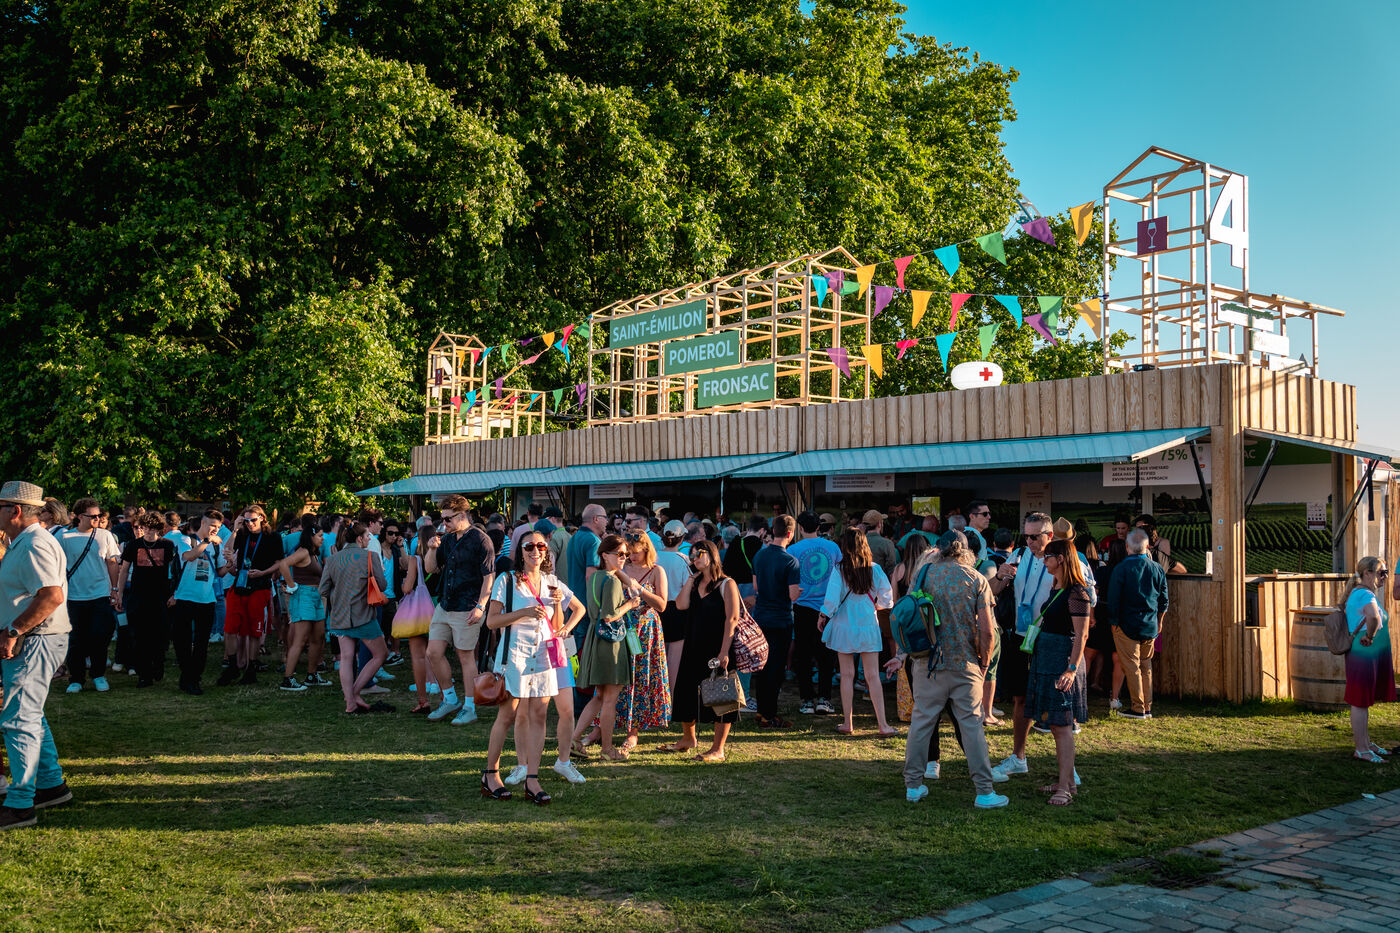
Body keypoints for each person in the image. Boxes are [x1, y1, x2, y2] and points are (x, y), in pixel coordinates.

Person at [891, 531, 1007, 808]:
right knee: (972, 726)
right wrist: (984, 663)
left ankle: (913, 786)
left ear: (939, 549)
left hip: (927, 662)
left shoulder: (923, 575)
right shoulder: (976, 579)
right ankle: (984, 791)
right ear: (966, 552)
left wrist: (902, 654)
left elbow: (909, 613)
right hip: (965, 663)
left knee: (921, 724)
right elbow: (987, 631)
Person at [481, 529, 588, 801]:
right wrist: (523, 613)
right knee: (508, 715)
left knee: (539, 716)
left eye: (541, 546)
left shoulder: (552, 582)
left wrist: (559, 610)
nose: (536, 551)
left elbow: (562, 622)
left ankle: (532, 779)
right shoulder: (507, 580)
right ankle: (490, 774)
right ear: (520, 551)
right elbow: (492, 621)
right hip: (515, 655)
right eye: (529, 546)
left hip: (543, 657)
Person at [0, 481, 74, 830]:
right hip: (36, 639)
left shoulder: (34, 542)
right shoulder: (25, 541)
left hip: (35, 640)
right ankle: (50, 785)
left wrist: (14, 631)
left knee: (19, 720)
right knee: (30, 715)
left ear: (15, 510)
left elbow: (51, 596)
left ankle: (20, 804)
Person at [1025, 538, 1091, 805]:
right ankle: (1067, 782)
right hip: (1048, 659)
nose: (1044, 561)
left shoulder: (1077, 592)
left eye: (1048, 556)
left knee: (1062, 725)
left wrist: (1071, 669)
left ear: (1061, 559)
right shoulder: (1058, 588)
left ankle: (1065, 787)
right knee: (1055, 723)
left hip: (1063, 662)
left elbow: (1082, 634)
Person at [990, 512, 1056, 781]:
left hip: (1049, 637)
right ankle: (1019, 757)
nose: (1029, 541)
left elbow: (1087, 597)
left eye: (1034, 536)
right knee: (1020, 697)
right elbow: (993, 592)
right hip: (1020, 636)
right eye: (1025, 536)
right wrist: (1001, 576)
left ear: (1049, 536)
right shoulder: (1018, 555)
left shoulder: (1061, 558)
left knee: (1053, 701)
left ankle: (1068, 766)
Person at [424, 494, 495, 725]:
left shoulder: (481, 540)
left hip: (468, 606)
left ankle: (470, 707)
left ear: (463, 515)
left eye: (448, 519)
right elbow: (431, 569)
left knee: (465, 656)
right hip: (445, 604)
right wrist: (431, 549)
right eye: (442, 519)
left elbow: (489, 577)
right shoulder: (447, 539)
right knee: (433, 653)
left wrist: (480, 606)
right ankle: (450, 699)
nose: (443, 523)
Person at [819, 528, 896, 736]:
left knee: (846, 675)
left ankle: (848, 723)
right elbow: (887, 599)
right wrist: (877, 606)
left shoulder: (839, 569)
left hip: (843, 626)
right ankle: (883, 724)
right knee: (873, 676)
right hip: (868, 625)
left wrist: (823, 615)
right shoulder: (875, 569)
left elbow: (831, 600)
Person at [670, 540, 740, 761]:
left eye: (698, 553)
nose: (694, 558)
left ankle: (718, 749)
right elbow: (680, 605)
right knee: (685, 691)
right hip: (693, 646)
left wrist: (724, 651)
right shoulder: (695, 583)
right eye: (692, 555)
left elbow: (732, 618)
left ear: (711, 554)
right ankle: (688, 739)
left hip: (717, 648)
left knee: (722, 696)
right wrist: (691, 579)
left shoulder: (727, 583)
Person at [573, 535, 640, 760]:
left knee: (600, 696)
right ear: (604, 555)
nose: (624, 558)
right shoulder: (611, 581)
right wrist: (630, 604)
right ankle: (607, 750)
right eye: (619, 554)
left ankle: (574, 739)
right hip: (610, 643)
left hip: (596, 638)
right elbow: (610, 616)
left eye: (626, 554)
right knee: (609, 698)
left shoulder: (595, 576)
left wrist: (619, 572)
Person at [319, 522, 391, 715]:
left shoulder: (333, 559)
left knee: (346, 658)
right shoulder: (370, 557)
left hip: (340, 616)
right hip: (363, 615)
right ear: (359, 539)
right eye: (367, 536)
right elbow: (382, 585)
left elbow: (323, 589)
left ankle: (350, 702)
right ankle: (355, 692)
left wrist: (340, 594)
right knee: (381, 654)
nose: (369, 539)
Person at [57, 498, 121, 694]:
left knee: (99, 637)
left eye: (99, 515)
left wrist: (115, 589)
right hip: (74, 596)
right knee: (76, 640)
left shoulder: (105, 535)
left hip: (100, 594)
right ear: (78, 516)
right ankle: (76, 679)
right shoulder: (64, 537)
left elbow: (112, 563)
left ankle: (98, 675)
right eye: (92, 516)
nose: (97, 519)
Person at [613, 530, 670, 751]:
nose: (632, 557)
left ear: (646, 550)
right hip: (623, 627)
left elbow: (662, 605)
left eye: (636, 553)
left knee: (640, 677)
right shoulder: (621, 569)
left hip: (646, 632)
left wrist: (640, 590)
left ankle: (633, 731)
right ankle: (603, 726)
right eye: (628, 553)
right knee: (616, 677)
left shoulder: (656, 571)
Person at [219, 505, 284, 686]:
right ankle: (232, 665)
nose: (250, 524)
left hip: (259, 587)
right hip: (240, 585)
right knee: (230, 628)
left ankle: (251, 668)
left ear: (262, 518)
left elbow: (279, 562)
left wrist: (263, 573)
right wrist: (235, 530)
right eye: (246, 520)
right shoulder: (242, 534)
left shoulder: (273, 537)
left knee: (254, 630)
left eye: (253, 520)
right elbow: (227, 551)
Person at [1106, 531, 1167, 719]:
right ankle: (1146, 707)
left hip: (1126, 624)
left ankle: (1138, 708)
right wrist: (1160, 621)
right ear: (1147, 547)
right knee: (1146, 666)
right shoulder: (1157, 568)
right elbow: (1164, 600)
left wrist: (1114, 622)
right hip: (1150, 624)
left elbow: (1113, 600)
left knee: (1132, 666)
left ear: (1127, 547)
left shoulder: (1121, 568)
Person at [1340, 557, 1395, 762]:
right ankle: (1361, 749)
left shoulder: (1363, 593)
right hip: (1363, 653)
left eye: (1386, 572)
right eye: (1382, 572)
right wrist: (1370, 637)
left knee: (1364, 701)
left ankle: (1366, 743)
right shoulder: (1364, 594)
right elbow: (1373, 617)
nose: (1385, 577)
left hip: (1368, 655)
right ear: (1367, 574)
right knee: (1360, 701)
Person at [114, 512, 177, 687]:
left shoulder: (167, 545)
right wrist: (119, 593)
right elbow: (124, 570)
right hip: (138, 596)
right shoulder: (133, 545)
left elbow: (174, 571)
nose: (148, 531)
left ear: (159, 528)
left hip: (161, 596)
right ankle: (144, 674)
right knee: (140, 635)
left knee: (160, 634)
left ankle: (158, 663)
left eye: (152, 528)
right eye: (145, 527)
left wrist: (174, 593)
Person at [750, 514, 801, 728]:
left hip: (761, 616)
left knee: (762, 667)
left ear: (773, 530)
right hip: (780, 619)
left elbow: (756, 587)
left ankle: (762, 710)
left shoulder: (760, 555)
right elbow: (793, 595)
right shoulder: (790, 561)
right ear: (790, 534)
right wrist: (798, 591)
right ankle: (769, 714)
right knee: (776, 668)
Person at [169, 509, 227, 695]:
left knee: (202, 643)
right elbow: (189, 556)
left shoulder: (216, 546)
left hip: (206, 599)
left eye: (218, 527)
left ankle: (193, 678)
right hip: (185, 597)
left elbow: (220, 572)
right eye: (212, 525)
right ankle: (188, 675)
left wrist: (230, 564)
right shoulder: (186, 540)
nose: (215, 529)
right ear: (203, 523)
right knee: (182, 641)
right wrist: (207, 541)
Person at [789, 510, 841, 716]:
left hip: (802, 606)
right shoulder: (833, 547)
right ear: (819, 527)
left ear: (800, 528)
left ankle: (807, 700)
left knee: (803, 655)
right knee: (826, 655)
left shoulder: (793, 550)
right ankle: (824, 699)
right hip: (827, 607)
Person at [276, 516, 331, 691]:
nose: (323, 539)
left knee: (318, 637)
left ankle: (311, 675)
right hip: (304, 596)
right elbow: (283, 564)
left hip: (315, 596)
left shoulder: (313, 554)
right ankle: (288, 679)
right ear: (311, 536)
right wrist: (291, 585)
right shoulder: (304, 551)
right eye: (320, 536)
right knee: (300, 639)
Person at [655, 520, 692, 697]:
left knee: (656, 655)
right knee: (674, 659)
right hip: (677, 609)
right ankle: (670, 698)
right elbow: (688, 586)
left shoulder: (654, 557)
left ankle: (657, 695)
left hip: (656, 607)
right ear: (682, 538)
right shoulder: (683, 560)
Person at [861, 510, 899, 577]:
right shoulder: (887, 543)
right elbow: (891, 571)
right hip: (880, 582)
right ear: (879, 524)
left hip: (859, 581)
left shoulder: (857, 542)